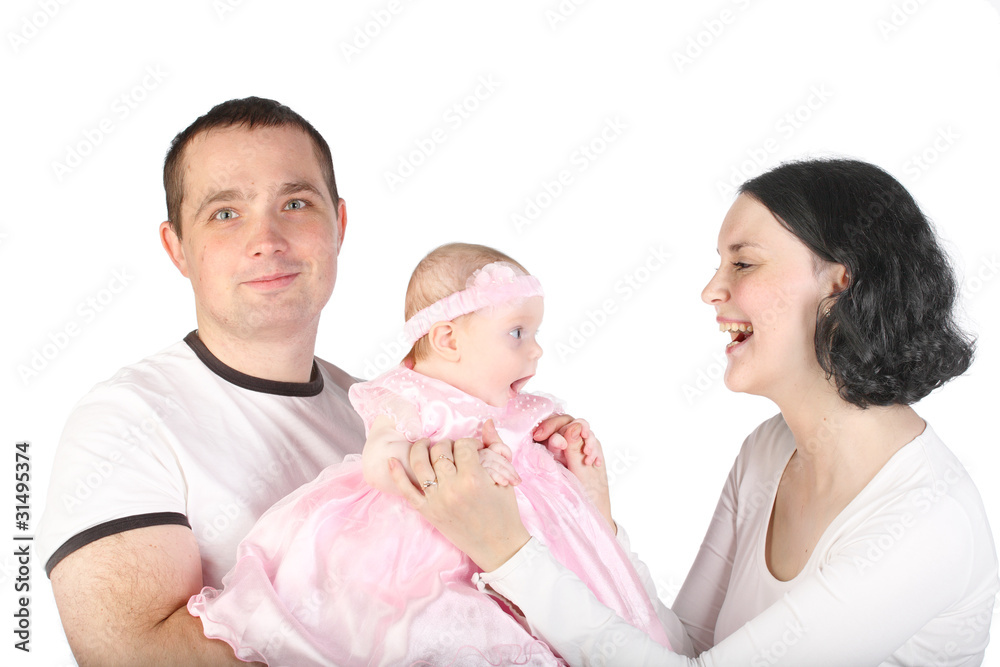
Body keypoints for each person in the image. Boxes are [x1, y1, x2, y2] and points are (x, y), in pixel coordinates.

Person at [394, 159, 1000, 665]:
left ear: (840, 284)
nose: (711, 290)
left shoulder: (927, 523)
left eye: (743, 262)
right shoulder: (770, 449)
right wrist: (595, 523)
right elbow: (683, 648)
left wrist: (508, 553)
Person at [186, 243, 690, 665]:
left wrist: (557, 452)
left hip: (527, 549)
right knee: (454, 631)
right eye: (517, 333)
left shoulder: (517, 407)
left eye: (534, 335)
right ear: (447, 339)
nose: (535, 351)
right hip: (431, 546)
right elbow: (381, 457)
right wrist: (454, 460)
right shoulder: (415, 399)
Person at [36, 97, 367, 666]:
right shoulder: (125, 423)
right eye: (225, 213)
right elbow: (135, 654)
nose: (267, 238)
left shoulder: (387, 413)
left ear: (338, 225)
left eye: (295, 202)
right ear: (177, 248)